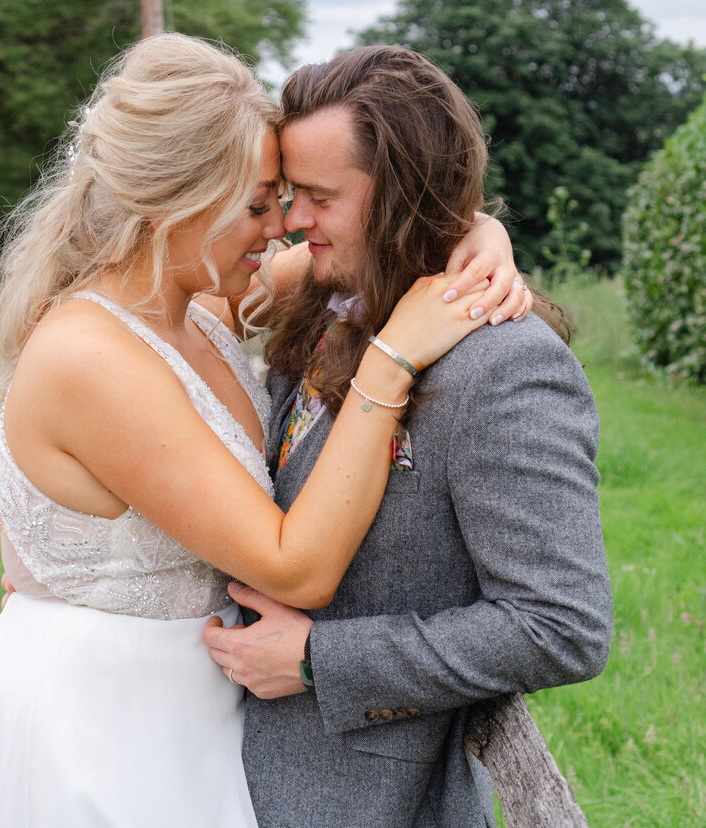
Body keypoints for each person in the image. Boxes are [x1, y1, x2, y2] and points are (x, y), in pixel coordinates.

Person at [0, 35, 529, 827]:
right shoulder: (88, 356)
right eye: (255, 205)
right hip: (98, 729)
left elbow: (368, 242)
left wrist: (476, 234)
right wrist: (388, 365)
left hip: (192, 715)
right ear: (172, 205)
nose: (279, 228)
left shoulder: (198, 311)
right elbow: (295, 568)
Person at [203, 45, 613, 827]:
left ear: (400, 198)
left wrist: (323, 663)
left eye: (318, 197)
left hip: (373, 801)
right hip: (225, 773)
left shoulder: (507, 367)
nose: (292, 221)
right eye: (289, 195)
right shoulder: (325, 304)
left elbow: (563, 626)